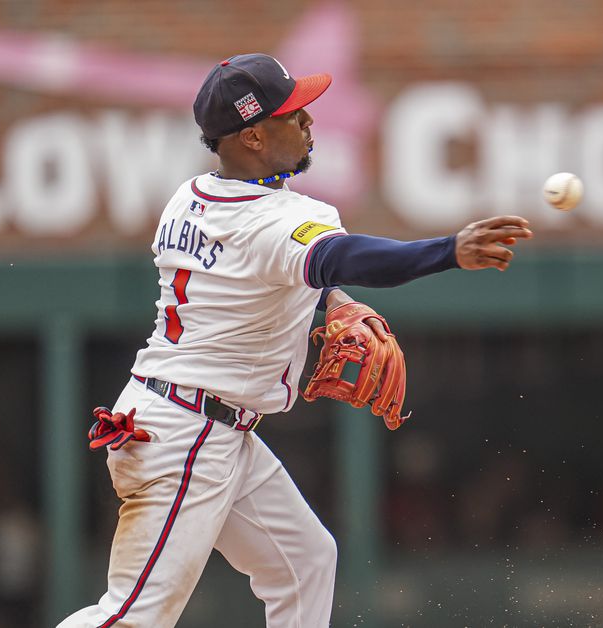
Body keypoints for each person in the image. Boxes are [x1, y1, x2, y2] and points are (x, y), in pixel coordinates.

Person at [59, 53, 532, 628]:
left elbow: (265, 274)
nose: (308, 121)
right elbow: (339, 255)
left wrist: (333, 301)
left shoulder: (189, 198)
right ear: (253, 135)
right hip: (187, 436)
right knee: (134, 618)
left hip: (198, 422)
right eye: (292, 114)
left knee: (305, 562)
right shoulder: (273, 219)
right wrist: (446, 252)